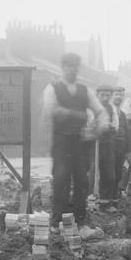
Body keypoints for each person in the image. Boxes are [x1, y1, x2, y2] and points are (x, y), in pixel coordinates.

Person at [42, 53, 109, 230]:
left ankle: (79, 220)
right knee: (61, 179)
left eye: (76, 66)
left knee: (82, 180)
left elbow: (100, 110)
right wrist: (76, 114)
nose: (73, 69)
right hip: (61, 141)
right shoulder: (53, 89)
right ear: (62, 67)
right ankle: (57, 222)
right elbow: (52, 111)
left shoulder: (84, 90)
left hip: (80, 142)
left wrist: (101, 125)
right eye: (69, 66)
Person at [93, 84, 117, 205]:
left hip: (107, 144)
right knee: (93, 173)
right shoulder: (92, 107)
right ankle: (92, 201)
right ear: (97, 95)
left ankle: (105, 202)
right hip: (93, 144)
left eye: (108, 95)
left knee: (109, 174)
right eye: (103, 95)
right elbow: (90, 124)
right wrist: (104, 126)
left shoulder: (112, 108)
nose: (105, 98)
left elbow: (115, 126)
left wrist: (106, 126)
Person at [111, 86, 130, 198]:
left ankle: (115, 195)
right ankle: (107, 196)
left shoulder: (122, 114)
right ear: (112, 96)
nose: (119, 97)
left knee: (118, 171)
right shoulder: (108, 110)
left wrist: (128, 149)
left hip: (121, 146)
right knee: (110, 172)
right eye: (116, 94)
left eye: (121, 95)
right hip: (111, 145)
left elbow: (127, 132)